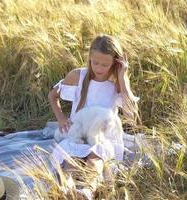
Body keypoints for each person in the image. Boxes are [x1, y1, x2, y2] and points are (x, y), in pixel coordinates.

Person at [48, 34, 141, 199]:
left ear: (115, 63)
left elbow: (131, 116)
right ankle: (66, 188)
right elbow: (52, 96)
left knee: (94, 160)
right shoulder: (78, 76)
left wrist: (123, 77)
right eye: (95, 62)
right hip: (79, 132)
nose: (99, 67)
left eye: (105, 64)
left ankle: (87, 191)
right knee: (72, 160)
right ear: (89, 58)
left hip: (103, 137)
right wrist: (61, 118)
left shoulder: (116, 85)